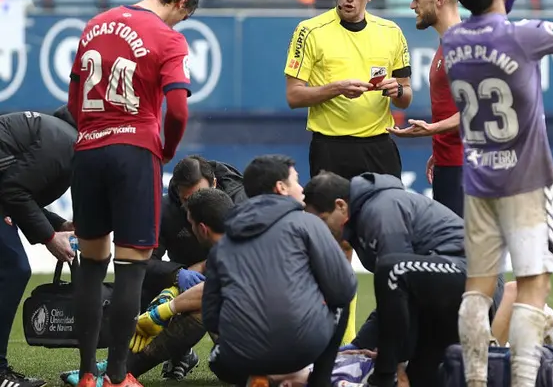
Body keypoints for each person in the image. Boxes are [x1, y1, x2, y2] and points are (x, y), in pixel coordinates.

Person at [443, 0, 553, 386]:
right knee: (533, 288)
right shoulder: (521, 35)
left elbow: (489, 16)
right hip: (526, 181)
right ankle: (523, 382)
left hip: (478, 183)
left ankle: (475, 381)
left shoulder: (453, 40)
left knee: (477, 291)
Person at [67, 0, 198, 387]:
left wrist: (95, 128)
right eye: (186, 15)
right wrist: (168, 150)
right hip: (134, 152)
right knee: (130, 268)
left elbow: (74, 100)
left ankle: (88, 374)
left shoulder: (95, 24)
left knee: (89, 265)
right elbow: (177, 109)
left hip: (86, 150)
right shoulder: (169, 37)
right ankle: (118, 376)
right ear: (182, 2)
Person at [283, 0, 412, 345]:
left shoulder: (391, 33)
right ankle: (343, 338)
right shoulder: (310, 30)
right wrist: (334, 88)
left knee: (392, 246)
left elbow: (406, 97)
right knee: (336, 246)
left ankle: (395, 334)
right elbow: (293, 96)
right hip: (330, 150)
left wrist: (396, 90)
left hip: (379, 149)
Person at [303, 171, 504, 387]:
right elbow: (394, 298)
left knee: (392, 270)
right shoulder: (363, 221)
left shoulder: (381, 211)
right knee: (422, 378)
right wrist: (358, 345)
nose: (320, 231)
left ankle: (384, 379)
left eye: (322, 221)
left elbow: (398, 283)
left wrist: (392, 362)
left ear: (341, 205)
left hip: (474, 283)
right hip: (443, 297)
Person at [204, 154, 357, 387]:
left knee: (219, 359)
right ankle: (319, 381)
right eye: (296, 181)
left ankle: (260, 375)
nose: (302, 189)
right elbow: (343, 290)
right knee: (340, 299)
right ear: (281, 187)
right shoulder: (308, 224)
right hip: (303, 348)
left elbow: (211, 316)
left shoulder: (225, 240)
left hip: (238, 355)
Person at [60, 188, 234, 386]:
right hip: (269, 341)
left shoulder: (236, 252)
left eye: (191, 224)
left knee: (200, 311)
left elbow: (210, 291)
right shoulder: (240, 240)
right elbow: (206, 267)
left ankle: (117, 372)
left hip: (267, 360)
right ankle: (115, 370)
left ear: (202, 228)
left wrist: (162, 311)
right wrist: (172, 290)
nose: (190, 230)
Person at [142, 155, 246, 380]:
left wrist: (207, 267)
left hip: (233, 283)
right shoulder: (163, 209)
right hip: (184, 284)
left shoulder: (241, 201)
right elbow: (143, 263)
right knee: (142, 292)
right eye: (187, 200)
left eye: (200, 195)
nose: (193, 206)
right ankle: (175, 354)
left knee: (233, 368)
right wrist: (178, 274)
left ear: (215, 184)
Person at [0, 107, 78, 387]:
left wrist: (58, 225)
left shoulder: (54, 132)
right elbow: (13, 192)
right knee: (14, 268)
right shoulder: (65, 140)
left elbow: (12, 192)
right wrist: (48, 237)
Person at [386, 0, 464, 217]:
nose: (412, 5)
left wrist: (432, 129)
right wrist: (439, 146)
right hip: (448, 163)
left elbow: (479, 110)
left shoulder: (462, 46)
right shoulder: (447, 44)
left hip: (464, 169)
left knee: (463, 253)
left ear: (439, 0)